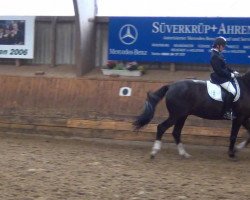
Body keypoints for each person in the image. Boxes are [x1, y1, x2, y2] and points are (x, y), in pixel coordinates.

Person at [210, 36, 239, 120]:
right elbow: (219, 71)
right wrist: (231, 75)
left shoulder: (218, 54)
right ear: (218, 46)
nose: (224, 47)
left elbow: (225, 67)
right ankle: (226, 112)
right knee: (233, 91)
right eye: (223, 46)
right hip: (219, 78)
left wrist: (233, 71)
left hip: (223, 76)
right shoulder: (214, 56)